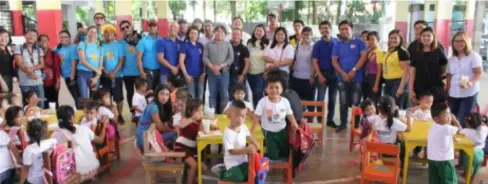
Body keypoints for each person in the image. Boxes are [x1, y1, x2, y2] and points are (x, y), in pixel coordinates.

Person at [251, 71, 299, 160]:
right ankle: (271, 162)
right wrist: (252, 131)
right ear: (266, 89)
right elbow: (256, 117)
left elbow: (290, 114)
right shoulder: (263, 102)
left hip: (282, 131)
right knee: (273, 156)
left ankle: (285, 167)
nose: (274, 90)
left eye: (277, 87)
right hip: (269, 133)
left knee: (285, 152)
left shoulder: (285, 101)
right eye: (271, 87)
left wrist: (295, 123)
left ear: (282, 89)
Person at [51, 105, 104, 182]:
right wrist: (105, 125)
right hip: (92, 168)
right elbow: (100, 140)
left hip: (74, 174)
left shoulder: (56, 134)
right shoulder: (83, 128)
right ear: (72, 117)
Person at [331, 20, 367, 132]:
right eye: (341, 29)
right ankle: (343, 124)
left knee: (356, 102)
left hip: (357, 78)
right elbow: (334, 61)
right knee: (343, 102)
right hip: (342, 78)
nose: (344, 31)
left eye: (346, 28)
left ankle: (356, 125)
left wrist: (354, 70)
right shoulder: (337, 44)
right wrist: (343, 73)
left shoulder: (360, 43)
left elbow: (363, 57)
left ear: (351, 29)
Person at [446, 32, 483, 124]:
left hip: (469, 93)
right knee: (452, 117)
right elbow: (449, 76)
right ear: (453, 43)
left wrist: (470, 82)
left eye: (462, 41)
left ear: (467, 42)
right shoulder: (451, 59)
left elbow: (478, 72)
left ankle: (462, 136)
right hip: (453, 93)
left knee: (463, 118)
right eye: (456, 41)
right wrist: (447, 91)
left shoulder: (473, 56)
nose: (459, 43)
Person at [218, 100, 259, 183]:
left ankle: (240, 173)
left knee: (255, 173)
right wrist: (247, 150)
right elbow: (231, 151)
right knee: (238, 177)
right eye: (237, 115)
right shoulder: (228, 132)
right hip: (232, 164)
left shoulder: (243, 126)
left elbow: (248, 136)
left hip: (243, 161)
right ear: (229, 115)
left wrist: (255, 143)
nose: (240, 119)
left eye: (243, 116)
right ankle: (222, 172)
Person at [174, 98, 209, 184]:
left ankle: (191, 179)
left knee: (203, 168)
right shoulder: (186, 119)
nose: (201, 112)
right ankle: (189, 182)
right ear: (191, 111)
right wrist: (192, 119)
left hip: (192, 148)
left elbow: (201, 130)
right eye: (198, 110)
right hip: (181, 147)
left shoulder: (199, 121)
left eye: (202, 110)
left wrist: (208, 128)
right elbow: (180, 125)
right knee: (193, 165)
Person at [409, 27, 448, 104]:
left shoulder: (439, 51)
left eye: (428, 36)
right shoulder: (416, 52)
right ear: (420, 37)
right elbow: (412, 72)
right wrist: (411, 89)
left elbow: (445, 68)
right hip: (420, 86)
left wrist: (444, 82)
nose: (426, 38)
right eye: (423, 35)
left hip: (436, 87)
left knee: (436, 111)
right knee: (420, 110)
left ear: (433, 37)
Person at [312, 21, 338, 128]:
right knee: (320, 98)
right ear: (320, 31)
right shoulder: (317, 44)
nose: (324, 30)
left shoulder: (338, 42)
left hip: (335, 74)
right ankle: (319, 119)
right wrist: (320, 75)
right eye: (322, 28)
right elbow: (314, 61)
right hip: (322, 73)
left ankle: (330, 120)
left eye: (326, 28)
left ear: (331, 29)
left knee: (333, 99)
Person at [427, 103, 461, 184]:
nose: (449, 116)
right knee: (449, 181)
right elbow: (459, 129)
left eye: (449, 113)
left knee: (435, 181)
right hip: (444, 160)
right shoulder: (446, 128)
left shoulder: (432, 127)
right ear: (436, 119)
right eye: (445, 115)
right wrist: (454, 119)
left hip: (432, 159)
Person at [203, 25, 234, 113]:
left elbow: (230, 58)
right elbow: (204, 57)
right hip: (211, 73)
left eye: (222, 32)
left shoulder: (228, 44)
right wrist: (212, 67)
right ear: (214, 33)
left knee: (224, 94)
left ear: (224, 34)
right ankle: (212, 114)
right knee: (212, 95)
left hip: (224, 73)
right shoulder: (208, 44)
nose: (219, 33)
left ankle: (224, 114)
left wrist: (220, 66)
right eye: (217, 31)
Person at [135, 85, 176, 151]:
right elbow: (160, 127)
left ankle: (164, 148)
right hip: (144, 141)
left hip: (144, 137)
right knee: (175, 134)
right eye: (162, 94)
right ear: (157, 94)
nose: (164, 97)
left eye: (167, 95)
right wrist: (173, 130)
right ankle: (165, 150)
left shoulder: (154, 104)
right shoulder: (154, 107)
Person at [100, 24, 125, 123]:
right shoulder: (101, 46)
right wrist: (106, 72)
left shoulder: (119, 46)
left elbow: (121, 60)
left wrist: (114, 72)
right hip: (105, 76)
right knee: (106, 97)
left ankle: (119, 115)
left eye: (111, 33)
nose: (108, 35)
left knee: (118, 98)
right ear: (104, 35)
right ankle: (109, 116)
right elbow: (99, 62)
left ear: (114, 34)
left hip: (117, 76)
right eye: (106, 33)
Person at [14, 29, 46, 108]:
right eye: (29, 34)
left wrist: (32, 68)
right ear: (25, 36)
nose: (31, 37)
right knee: (28, 105)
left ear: (36, 38)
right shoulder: (18, 48)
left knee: (40, 103)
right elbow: (19, 63)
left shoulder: (39, 49)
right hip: (25, 82)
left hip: (38, 81)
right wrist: (29, 73)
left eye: (34, 35)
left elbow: (42, 64)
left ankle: (39, 120)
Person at [20, 119, 57, 184]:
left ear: (28, 134)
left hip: (35, 181)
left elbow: (25, 169)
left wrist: (20, 183)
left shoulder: (29, 150)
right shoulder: (53, 141)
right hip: (52, 176)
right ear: (45, 132)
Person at [379, 29, 409, 108]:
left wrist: (401, 87)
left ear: (400, 39)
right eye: (391, 38)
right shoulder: (390, 50)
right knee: (388, 106)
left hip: (398, 82)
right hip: (388, 82)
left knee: (395, 107)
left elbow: (406, 71)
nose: (393, 40)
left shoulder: (402, 52)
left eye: (395, 38)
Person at [119, 20, 142, 118]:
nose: (125, 29)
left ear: (131, 26)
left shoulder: (140, 39)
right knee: (130, 93)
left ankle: (140, 112)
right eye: (122, 28)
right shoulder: (120, 42)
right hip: (126, 73)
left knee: (140, 93)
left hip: (138, 71)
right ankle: (133, 112)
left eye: (127, 27)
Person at [54, 30, 80, 107]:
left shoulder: (72, 48)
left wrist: (72, 76)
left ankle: (80, 112)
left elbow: (74, 62)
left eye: (65, 37)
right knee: (74, 96)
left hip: (72, 76)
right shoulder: (58, 48)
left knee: (77, 97)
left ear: (69, 38)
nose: (63, 39)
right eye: (61, 37)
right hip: (65, 76)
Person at [77, 26, 103, 98]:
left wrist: (96, 77)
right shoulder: (82, 44)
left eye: (95, 32)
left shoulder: (100, 47)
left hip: (95, 75)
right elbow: (83, 61)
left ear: (97, 35)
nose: (93, 34)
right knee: (84, 97)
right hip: (83, 73)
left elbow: (100, 64)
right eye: (91, 32)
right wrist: (96, 70)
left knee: (94, 97)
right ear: (87, 33)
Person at [290, 26, 315, 104]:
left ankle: (310, 116)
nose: (305, 36)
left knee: (310, 101)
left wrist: (312, 76)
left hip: (308, 78)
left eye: (308, 34)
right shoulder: (297, 45)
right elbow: (293, 59)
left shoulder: (314, 46)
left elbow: (315, 63)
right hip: (296, 77)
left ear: (311, 36)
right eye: (304, 34)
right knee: (297, 102)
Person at [180, 26, 205, 99]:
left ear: (198, 35)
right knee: (191, 96)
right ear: (188, 34)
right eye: (192, 33)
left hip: (200, 76)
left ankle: (199, 110)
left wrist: (203, 74)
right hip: (189, 76)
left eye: (195, 33)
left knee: (200, 97)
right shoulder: (185, 45)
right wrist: (186, 75)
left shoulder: (200, 46)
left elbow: (203, 61)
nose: (194, 35)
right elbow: (181, 62)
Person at [247, 24, 269, 108]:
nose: (258, 32)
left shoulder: (267, 43)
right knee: (254, 93)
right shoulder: (249, 42)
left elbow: (268, 59)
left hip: (261, 73)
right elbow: (247, 56)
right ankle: (256, 111)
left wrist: (266, 71)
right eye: (257, 30)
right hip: (250, 72)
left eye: (261, 31)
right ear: (254, 31)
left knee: (258, 93)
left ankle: (260, 113)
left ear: (264, 33)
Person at [38, 34, 61, 108]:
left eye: (45, 40)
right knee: (42, 103)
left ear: (49, 41)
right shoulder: (36, 53)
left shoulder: (54, 54)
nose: (43, 42)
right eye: (41, 40)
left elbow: (57, 69)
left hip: (51, 83)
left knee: (53, 103)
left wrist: (57, 82)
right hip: (39, 83)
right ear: (38, 42)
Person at [137, 22, 161, 90]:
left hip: (159, 70)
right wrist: (141, 72)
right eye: (150, 26)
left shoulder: (161, 40)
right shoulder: (143, 41)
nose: (152, 28)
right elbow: (139, 59)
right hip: (147, 70)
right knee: (148, 92)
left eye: (154, 26)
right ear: (148, 28)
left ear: (157, 28)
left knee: (157, 92)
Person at [229, 28, 250, 101]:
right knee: (231, 95)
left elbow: (247, 63)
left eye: (238, 34)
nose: (236, 36)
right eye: (234, 34)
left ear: (241, 36)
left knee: (243, 95)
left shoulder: (244, 48)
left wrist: (242, 75)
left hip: (240, 75)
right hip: (229, 75)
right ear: (231, 35)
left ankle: (246, 110)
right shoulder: (228, 46)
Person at [363, 31, 382, 102]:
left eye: (372, 39)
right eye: (369, 40)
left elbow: (379, 71)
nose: (370, 42)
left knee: (374, 101)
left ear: (378, 40)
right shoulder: (369, 51)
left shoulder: (379, 52)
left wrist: (376, 85)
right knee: (367, 100)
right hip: (367, 77)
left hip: (374, 78)